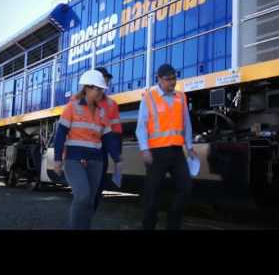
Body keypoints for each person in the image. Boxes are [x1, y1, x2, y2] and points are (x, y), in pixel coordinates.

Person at [54, 69, 122, 230]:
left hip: (95, 160)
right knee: (83, 196)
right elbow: (60, 134)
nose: (101, 92)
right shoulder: (72, 108)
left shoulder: (102, 111)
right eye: (98, 89)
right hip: (74, 159)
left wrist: (118, 158)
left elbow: (108, 137)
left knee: (90, 200)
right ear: (87, 88)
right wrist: (57, 159)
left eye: (102, 89)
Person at [136, 64, 198, 230]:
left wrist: (189, 146)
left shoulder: (181, 97)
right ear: (159, 79)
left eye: (174, 78)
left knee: (186, 188)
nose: (173, 82)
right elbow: (141, 126)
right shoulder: (149, 97)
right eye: (169, 79)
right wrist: (144, 149)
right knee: (152, 195)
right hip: (156, 153)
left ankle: (172, 223)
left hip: (177, 152)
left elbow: (186, 123)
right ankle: (148, 226)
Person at [93, 67, 123, 211]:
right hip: (82, 152)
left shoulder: (112, 104)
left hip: (101, 153)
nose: (106, 82)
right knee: (84, 192)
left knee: (97, 187)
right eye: (103, 78)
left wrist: (117, 155)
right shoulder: (78, 102)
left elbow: (115, 131)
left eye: (107, 79)